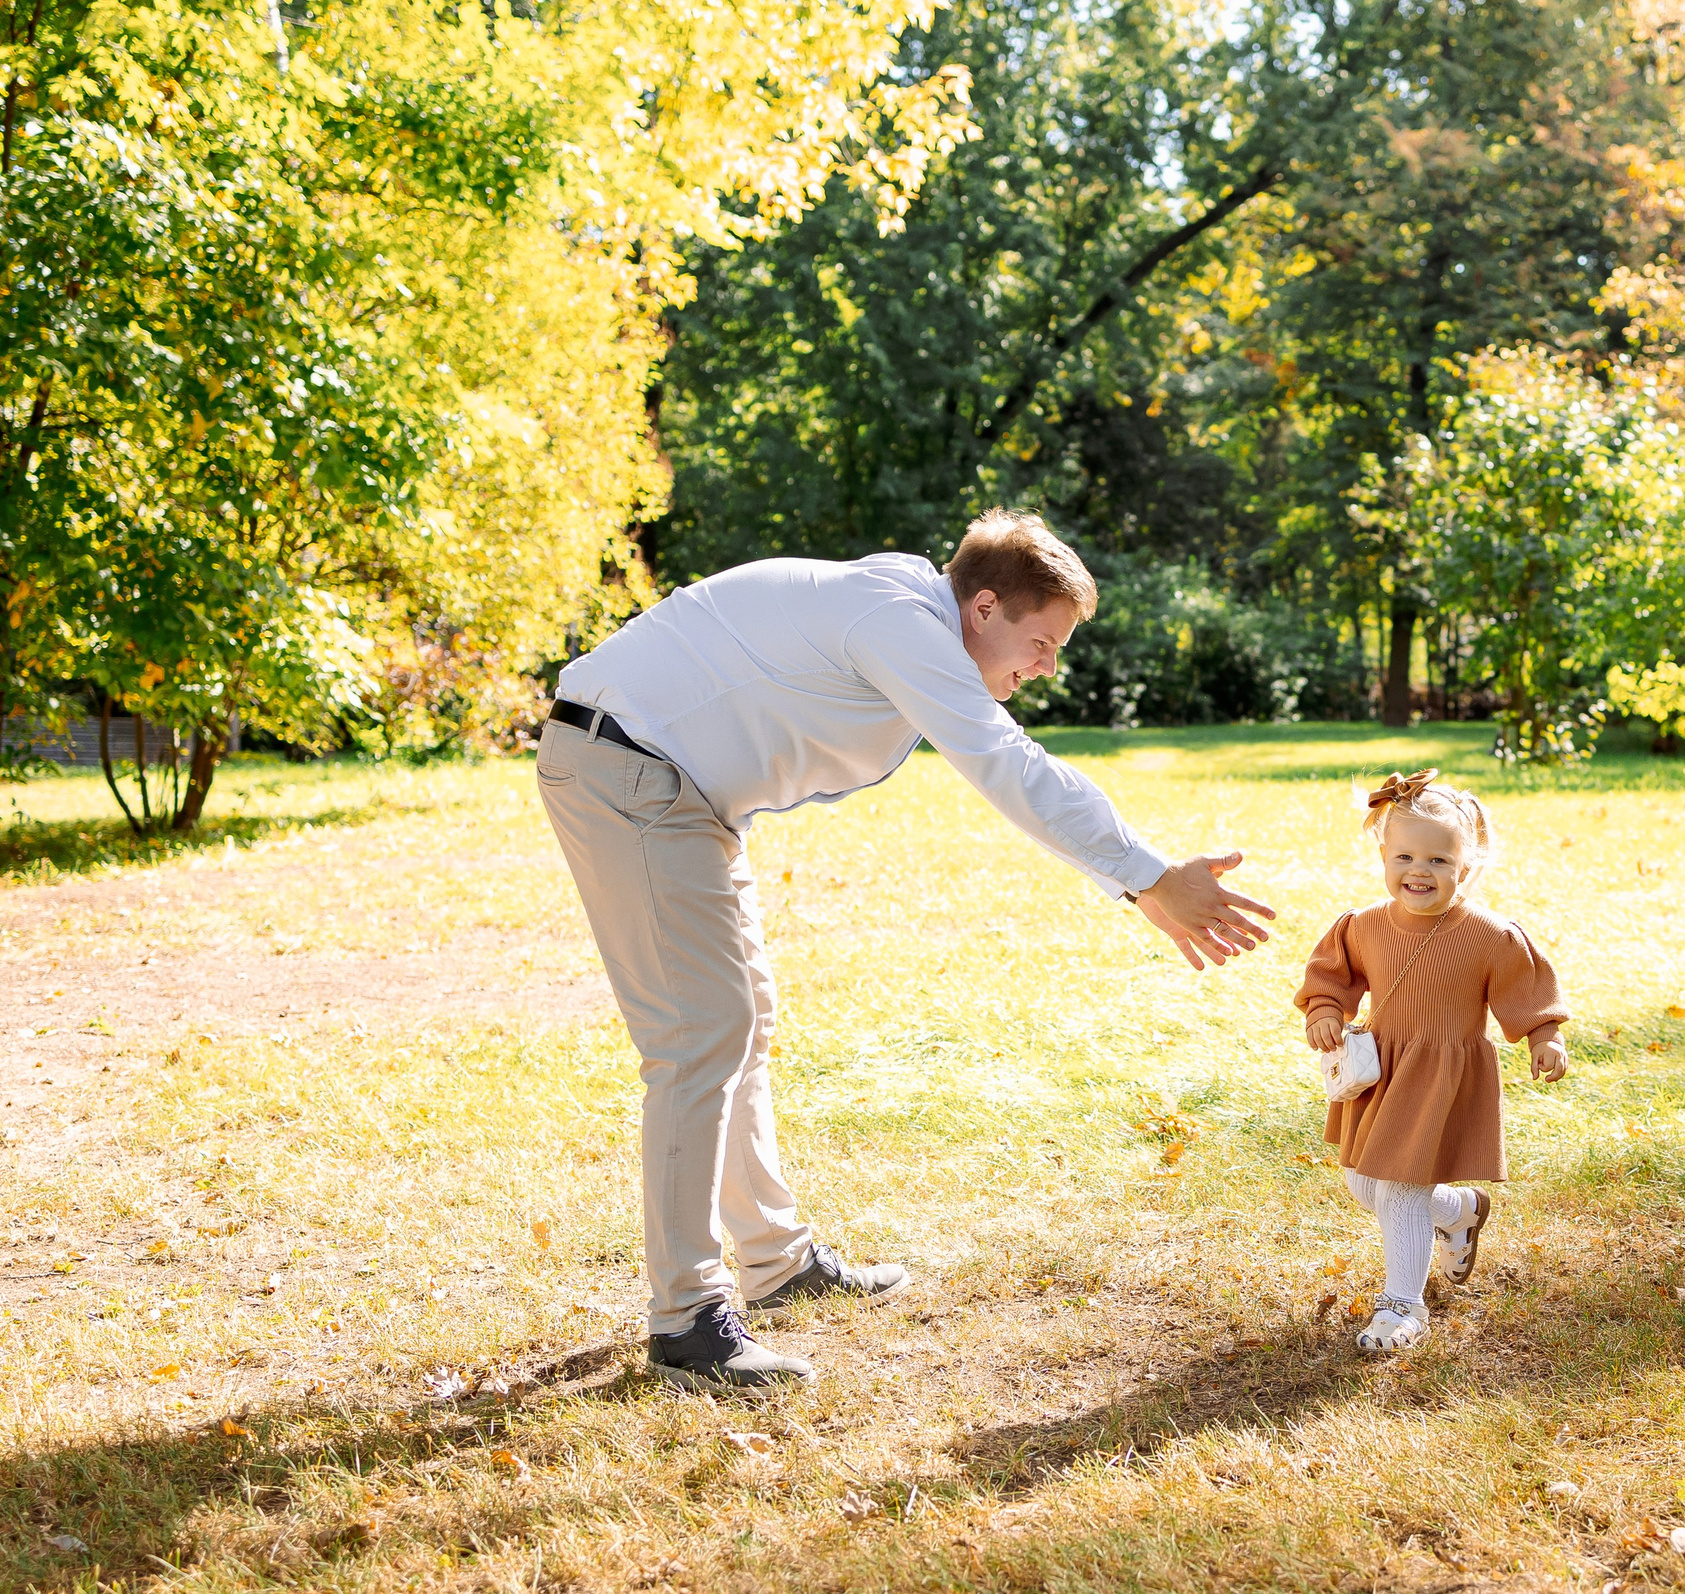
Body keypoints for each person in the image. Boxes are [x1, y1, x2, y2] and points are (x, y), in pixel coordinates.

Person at [536, 510, 1277, 1391]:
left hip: (679, 790)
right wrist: (1150, 877)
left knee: (744, 1021)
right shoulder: (899, 622)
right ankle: (688, 1321)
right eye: (1042, 643)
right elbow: (1006, 762)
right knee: (704, 1034)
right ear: (986, 606)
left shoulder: (906, 605)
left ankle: (774, 1260)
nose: (1049, 667)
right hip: (627, 768)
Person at [1295, 771, 1569, 1353]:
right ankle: (1460, 1210)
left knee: (1400, 1188)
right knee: (1365, 1182)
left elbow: (1523, 987)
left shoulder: (1488, 934)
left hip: (1442, 1074)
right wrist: (1324, 1009)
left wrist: (1543, 1032)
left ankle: (1403, 1306)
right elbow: (1333, 973)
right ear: (1384, 855)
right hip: (1384, 1072)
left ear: (1466, 865)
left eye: (1440, 861)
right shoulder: (1365, 925)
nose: (1419, 871)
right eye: (1405, 856)